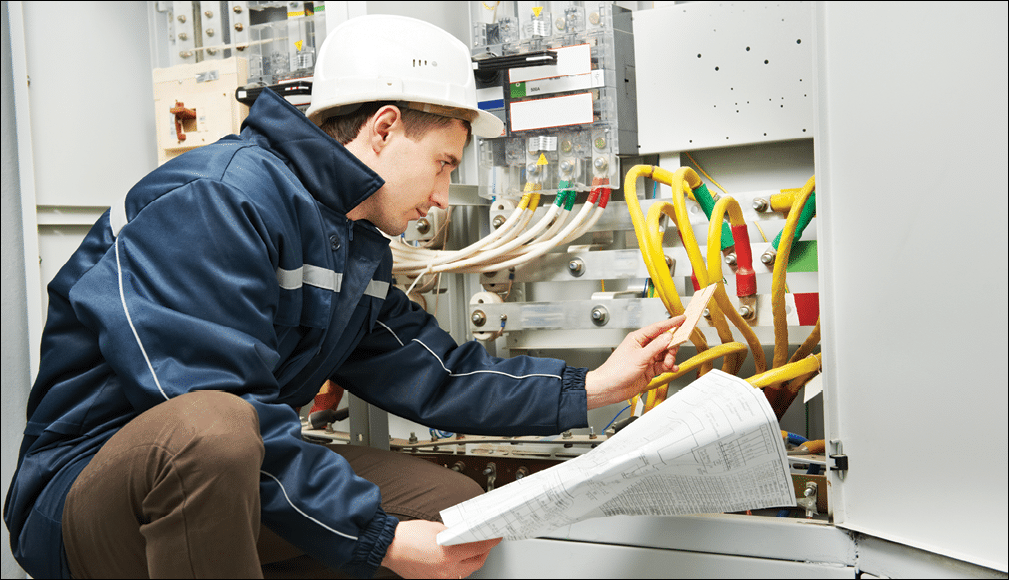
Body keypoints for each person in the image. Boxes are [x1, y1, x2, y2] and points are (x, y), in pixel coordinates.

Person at [4, 14, 683, 579]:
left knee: (446, 506)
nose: (443, 196)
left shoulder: (349, 241)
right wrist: (379, 540)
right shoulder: (214, 200)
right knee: (212, 427)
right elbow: (209, 404)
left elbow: (432, 371)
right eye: (444, 163)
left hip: (217, 479)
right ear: (384, 128)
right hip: (84, 501)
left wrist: (593, 386)